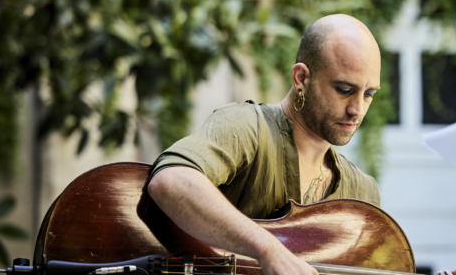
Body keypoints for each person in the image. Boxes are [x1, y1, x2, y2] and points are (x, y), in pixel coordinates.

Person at [147, 14, 383, 275]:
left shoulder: (362, 194)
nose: (357, 109)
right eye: (344, 90)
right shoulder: (246, 127)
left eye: (369, 93)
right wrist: (268, 249)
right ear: (301, 78)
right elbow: (171, 180)